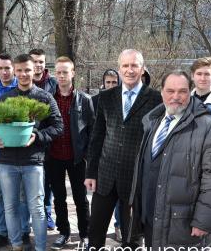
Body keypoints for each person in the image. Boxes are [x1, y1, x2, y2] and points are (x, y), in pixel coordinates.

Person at [129, 70, 211, 248]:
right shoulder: (153, 121)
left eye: (182, 91)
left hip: (183, 226)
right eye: (170, 91)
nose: (176, 96)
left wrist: (203, 221)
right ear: (162, 92)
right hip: (151, 218)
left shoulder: (209, 128)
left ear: (190, 92)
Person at [0, 54, 63, 251]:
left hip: (33, 162)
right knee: (10, 207)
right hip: (7, 161)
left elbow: (58, 126)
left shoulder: (44, 97)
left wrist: (38, 135)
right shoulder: (5, 99)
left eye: (27, 70)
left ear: (34, 70)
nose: (24, 74)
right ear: (15, 71)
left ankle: (40, 248)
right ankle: (17, 246)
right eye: (19, 70)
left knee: (36, 209)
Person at [84, 49, 162, 249]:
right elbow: (97, 137)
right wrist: (91, 172)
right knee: (95, 232)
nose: (130, 70)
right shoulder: (106, 97)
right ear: (119, 69)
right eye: (125, 66)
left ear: (142, 69)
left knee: (133, 238)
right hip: (105, 176)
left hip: (136, 180)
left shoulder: (155, 99)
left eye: (134, 65)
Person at [46, 57, 93, 249]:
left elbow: (92, 129)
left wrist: (86, 154)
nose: (62, 76)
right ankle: (63, 232)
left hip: (76, 158)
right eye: (58, 72)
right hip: (54, 157)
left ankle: (85, 233)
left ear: (73, 73)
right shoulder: (48, 98)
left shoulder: (84, 99)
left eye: (65, 72)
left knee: (80, 198)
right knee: (58, 197)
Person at [91, 69, 122, 242]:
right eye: (108, 82)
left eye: (114, 82)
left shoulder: (123, 100)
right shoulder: (95, 100)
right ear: (103, 83)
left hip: (118, 158)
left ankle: (119, 226)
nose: (110, 85)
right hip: (101, 160)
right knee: (100, 204)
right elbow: (92, 131)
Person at [29, 48, 57, 230]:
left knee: (47, 183)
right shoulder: (24, 82)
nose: (38, 65)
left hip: (48, 141)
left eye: (41, 61)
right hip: (28, 142)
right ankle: (30, 217)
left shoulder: (53, 84)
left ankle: (47, 213)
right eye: (35, 61)